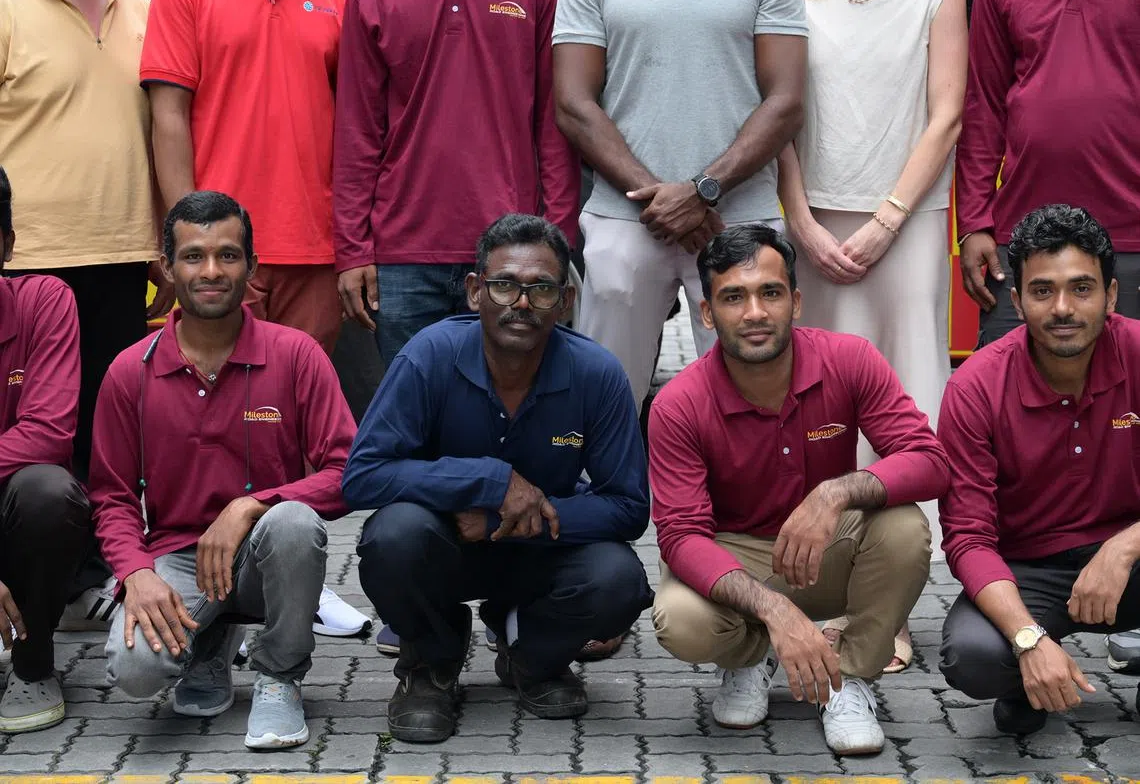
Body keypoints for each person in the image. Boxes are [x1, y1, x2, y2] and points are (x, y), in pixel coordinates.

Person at [141, 0, 365, 639]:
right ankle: (203, 580)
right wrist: (181, 241)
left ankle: (295, 581)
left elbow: (361, 127)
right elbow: (170, 119)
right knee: (208, 426)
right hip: (218, 257)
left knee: (293, 431)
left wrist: (356, 243)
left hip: (314, 247)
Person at [954, 0, 1140, 670]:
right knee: (1018, 435)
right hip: (1027, 252)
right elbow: (981, 104)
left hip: (1136, 247)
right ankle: (1027, 625)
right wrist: (976, 223)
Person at [343, 214, 652, 743]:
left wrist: (501, 520)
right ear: (474, 292)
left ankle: (531, 658)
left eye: (541, 289)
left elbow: (628, 506)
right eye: (505, 285)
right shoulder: (429, 355)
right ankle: (431, 664)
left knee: (619, 580)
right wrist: (489, 480)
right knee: (392, 536)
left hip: (540, 551)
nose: (522, 303)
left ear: (566, 301)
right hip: (444, 547)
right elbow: (364, 476)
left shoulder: (596, 373)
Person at [553, 0, 807, 410]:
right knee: (603, 401)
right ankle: (606, 511)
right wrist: (661, 199)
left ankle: (748, 515)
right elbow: (574, 105)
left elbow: (786, 102)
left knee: (759, 397)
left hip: (739, 215)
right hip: (623, 221)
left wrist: (702, 191)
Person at [776, 0, 967, 669]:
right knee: (819, 415)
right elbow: (776, 117)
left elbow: (947, 114)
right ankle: (823, 593)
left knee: (910, 407)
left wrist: (888, 218)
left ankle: (887, 609)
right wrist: (805, 225)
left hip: (911, 225)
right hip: (813, 224)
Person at [649, 224, 948, 757]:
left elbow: (930, 460)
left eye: (771, 292)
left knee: (904, 527)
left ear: (797, 301)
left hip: (826, 546)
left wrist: (833, 494)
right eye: (733, 297)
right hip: (736, 554)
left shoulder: (850, 359)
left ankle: (848, 677)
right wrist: (776, 611)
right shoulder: (678, 403)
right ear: (707, 314)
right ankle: (749, 659)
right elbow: (679, 535)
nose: (756, 313)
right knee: (680, 621)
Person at [88, 191, 357, 750]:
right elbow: (111, 497)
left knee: (293, 524)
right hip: (179, 556)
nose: (211, 271)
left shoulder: (297, 354)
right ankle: (206, 647)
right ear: (167, 269)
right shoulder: (128, 371)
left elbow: (349, 470)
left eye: (228, 255)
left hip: (268, 557)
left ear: (252, 267)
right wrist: (136, 574)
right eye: (193, 256)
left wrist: (251, 505)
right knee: (134, 670)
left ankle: (280, 676)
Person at [334, 0, 579, 375]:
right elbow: (356, 134)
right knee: (417, 420)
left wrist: (560, 239)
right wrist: (353, 251)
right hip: (402, 257)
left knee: (512, 413)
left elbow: (555, 121)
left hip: (512, 251)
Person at [0, 0, 171, 486]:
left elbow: (159, 135)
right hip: (25, 263)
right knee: (37, 434)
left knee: (110, 428)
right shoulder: (6, 2)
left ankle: (105, 563)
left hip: (123, 259)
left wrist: (161, 239)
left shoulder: (146, 10)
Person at [939, 204, 1140, 735]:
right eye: (1043, 290)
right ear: (1017, 300)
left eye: (1082, 288)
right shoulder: (975, 386)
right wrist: (1027, 638)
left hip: (1134, 555)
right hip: (1031, 569)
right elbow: (967, 539)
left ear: (1111, 295)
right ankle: (1028, 680)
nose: (1063, 308)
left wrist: (1123, 547)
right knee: (974, 655)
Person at [0, 167, 91, 732]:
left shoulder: (44, 300)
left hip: (13, 512)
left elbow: (49, 433)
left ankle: (32, 665)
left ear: (6, 244)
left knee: (49, 493)